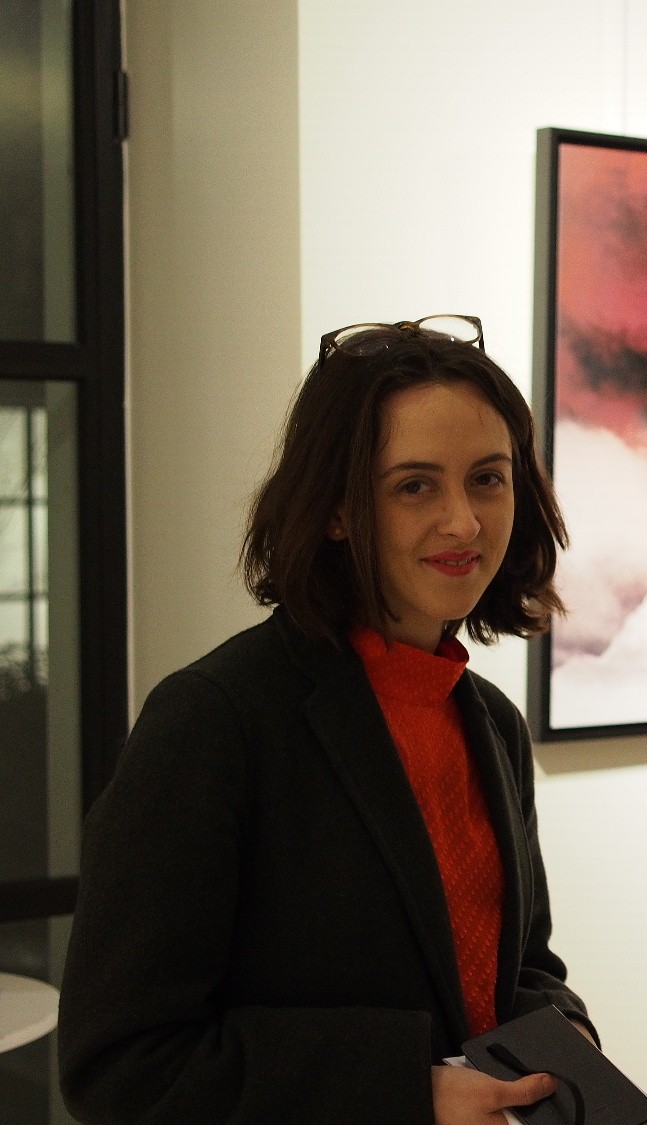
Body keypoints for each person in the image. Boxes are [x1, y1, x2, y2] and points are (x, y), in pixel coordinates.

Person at [59, 316, 592, 1124]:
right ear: (337, 508)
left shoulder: (491, 722)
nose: (464, 522)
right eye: (415, 485)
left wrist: (567, 1033)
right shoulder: (214, 720)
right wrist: (406, 1091)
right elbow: (121, 1061)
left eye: (488, 477)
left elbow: (513, 970)